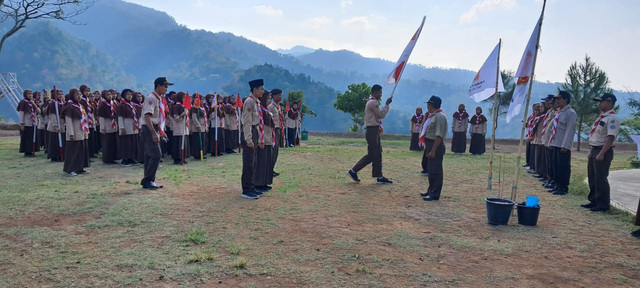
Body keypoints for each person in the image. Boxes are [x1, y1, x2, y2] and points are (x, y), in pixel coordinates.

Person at [347, 84, 393, 184]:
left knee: (378, 153)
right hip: (372, 130)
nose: (381, 94)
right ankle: (353, 171)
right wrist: (387, 105)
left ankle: (379, 176)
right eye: (380, 92)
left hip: (374, 130)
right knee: (372, 154)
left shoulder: (372, 102)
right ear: (374, 92)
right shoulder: (373, 103)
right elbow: (381, 115)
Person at [581, 93, 619, 212]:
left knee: (600, 178)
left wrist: (602, 153)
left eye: (602, 101)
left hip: (603, 150)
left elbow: (610, 137)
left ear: (609, 102)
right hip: (595, 149)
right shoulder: (602, 117)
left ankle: (603, 204)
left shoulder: (612, 118)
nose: (599, 104)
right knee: (592, 176)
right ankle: (594, 200)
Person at [139, 77, 172, 189]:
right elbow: (147, 117)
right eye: (165, 86)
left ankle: (148, 180)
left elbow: (155, 117)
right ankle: (148, 180)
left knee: (149, 155)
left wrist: (160, 131)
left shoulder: (158, 99)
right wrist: (153, 133)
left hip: (152, 127)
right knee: (156, 155)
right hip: (148, 128)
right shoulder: (152, 98)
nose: (166, 89)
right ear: (158, 86)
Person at [419, 96, 447, 201]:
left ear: (431, 105)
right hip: (430, 144)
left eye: (428, 104)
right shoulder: (433, 115)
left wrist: (433, 150)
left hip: (436, 145)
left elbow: (439, 135)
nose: (427, 106)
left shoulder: (440, 116)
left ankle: (434, 193)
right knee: (431, 170)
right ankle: (430, 189)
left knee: (435, 171)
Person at [549, 91, 577, 195]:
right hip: (556, 143)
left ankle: (563, 187)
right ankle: (557, 185)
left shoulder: (571, 113)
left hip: (562, 145)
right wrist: (551, 142)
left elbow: (569, 130)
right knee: (556, 166)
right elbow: (553, 129)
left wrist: (565, 145)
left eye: (559, 99)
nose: (557, 101)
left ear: (565, 99)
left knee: (563, 168)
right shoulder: (560, 112)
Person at [241, 79, 265, 199]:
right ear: (255, 89)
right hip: (250, 132)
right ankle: (246, 189)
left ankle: (252, 186)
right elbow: (247, 121)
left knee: (254, 162)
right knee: (249, 162)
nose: (263, 91)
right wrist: (248, 139)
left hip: (255, 131)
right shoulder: (249, 102)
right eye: (261, 89)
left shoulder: (256, 102)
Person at [61, 88, 90, 176]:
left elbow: (84, 118)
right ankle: (71, 169)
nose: (79, 96)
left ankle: (80, 168)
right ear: (72, 96)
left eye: (80, 95)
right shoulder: (69, 106)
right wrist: (71, 133)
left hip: (81, 131)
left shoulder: (80, 106)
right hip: (74, 132)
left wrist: (86, 129)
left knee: (81, 151)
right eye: (77, 95)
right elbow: (68, 121)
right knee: (73, 151)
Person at [254, 91, 274, 192]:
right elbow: (259, 126)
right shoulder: (259, 110)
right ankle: (258, 183)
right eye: (268, 99)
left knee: (267, 161)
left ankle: (265, 182)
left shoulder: (266, 110)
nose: (269, 101)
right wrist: (260, 140)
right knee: (261, 162)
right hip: (263, 138)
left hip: (268, 137)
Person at [117, 89, 139, 166]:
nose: (129, 96)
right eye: (127, 94)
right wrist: (122, 128)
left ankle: (131, 158)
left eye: (130, 94)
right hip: (126, 126)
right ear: (124, 96)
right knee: (125, 143)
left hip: (133, 125)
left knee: (132, 143)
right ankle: (124, 159)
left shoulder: (132, 105)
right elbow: (120, 117)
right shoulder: (121, 105)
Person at [97, 90, 119, 164]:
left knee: (113, 143)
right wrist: (102, 128)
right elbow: (101, 118)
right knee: (107, 144)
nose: (109, 96)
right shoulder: (102, 105)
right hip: (107, 126)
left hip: (113, 126)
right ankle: (107, 159)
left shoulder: (113, 104)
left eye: (110, 94)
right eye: (107, 95)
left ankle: (113, 158)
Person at [17, 89, 41, 157]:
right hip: (27, 123)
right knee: (27, 138)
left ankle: (32, 150)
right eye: (28, 94)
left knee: (32, 138)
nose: (30, 95)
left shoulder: (33, 102)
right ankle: (27, 152)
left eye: (31, 94)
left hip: (33, 123)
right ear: (25, 95)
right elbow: (21, 114)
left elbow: (39, 111)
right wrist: (22, 124)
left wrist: (34, 104)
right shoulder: (23, 102)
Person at [171, 92, 190, 164]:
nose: (184, 99)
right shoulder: (176, 106)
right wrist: (182, 114)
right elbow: (176, 118)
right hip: (178, 127)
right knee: (178, 144)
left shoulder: (184, 106)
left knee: (183, 143)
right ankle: (177, 159)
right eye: (183, 98)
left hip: (184, 127)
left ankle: (183, 157)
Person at [46, 89, 65, 162]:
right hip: (55, 126)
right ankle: (54, 156)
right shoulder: (53, 104)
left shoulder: (62, 103)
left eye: (61, 94)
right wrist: (56, 126)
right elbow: (52, 116)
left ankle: (61, 155)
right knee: (54, 142)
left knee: (61, 141)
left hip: (62, 124)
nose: (60, 96)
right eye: (58, 94)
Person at [269, 89, 284, 176]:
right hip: (273, 130)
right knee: (273, 150)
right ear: (273, 96)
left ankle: (272, 168)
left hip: (278, 129)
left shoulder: (277, 106)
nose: (280, 97)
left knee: (276, 150)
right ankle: (269, 169)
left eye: (281, 95)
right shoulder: (271, 107)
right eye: (278, 95)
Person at [190, 93, 208, 160]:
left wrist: (206, 126)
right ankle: (197, 155)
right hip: (197, 127)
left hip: (203, 126)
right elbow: (194, 118)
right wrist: (198, 125)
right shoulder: (195, 108)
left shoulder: (202, 108)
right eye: (201, 99)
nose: (202, 101)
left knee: (203, 141)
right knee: (197, 142)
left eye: (203, 99)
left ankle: (202, 154)